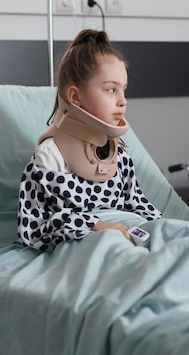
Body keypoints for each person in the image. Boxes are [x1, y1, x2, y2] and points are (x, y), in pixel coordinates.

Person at [17, 29, 162, 252]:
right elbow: (34, 229)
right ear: (75, 97)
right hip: (87, 246)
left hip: (130, 238)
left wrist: (164, 231)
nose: (123, 101)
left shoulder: (119, 156)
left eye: (123, 90)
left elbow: (141, 207)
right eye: (111, 90)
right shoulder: (50, 156)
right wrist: (97, 226)